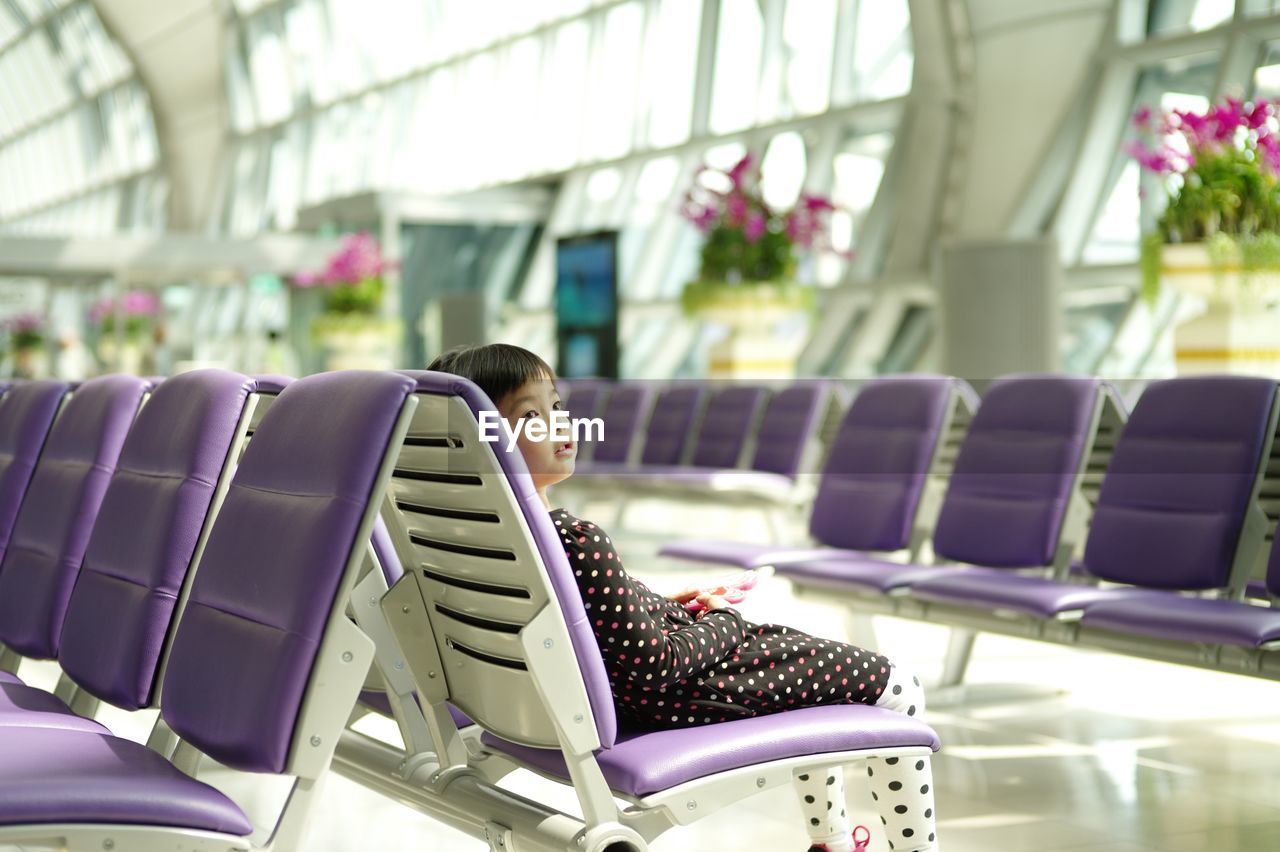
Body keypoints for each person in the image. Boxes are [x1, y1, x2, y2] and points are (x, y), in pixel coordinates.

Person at [426, 343, 939, 852]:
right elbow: (656, 665)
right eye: (528, 415)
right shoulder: (578, 541)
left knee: (823, 670)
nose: (558, 423)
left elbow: (582, 615)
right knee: (898, 687)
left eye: (556, 406)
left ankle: (834, 842)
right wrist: (724, 620)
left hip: (625, 693)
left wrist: (661, 602)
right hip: (680, 695)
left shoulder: (478, 539)